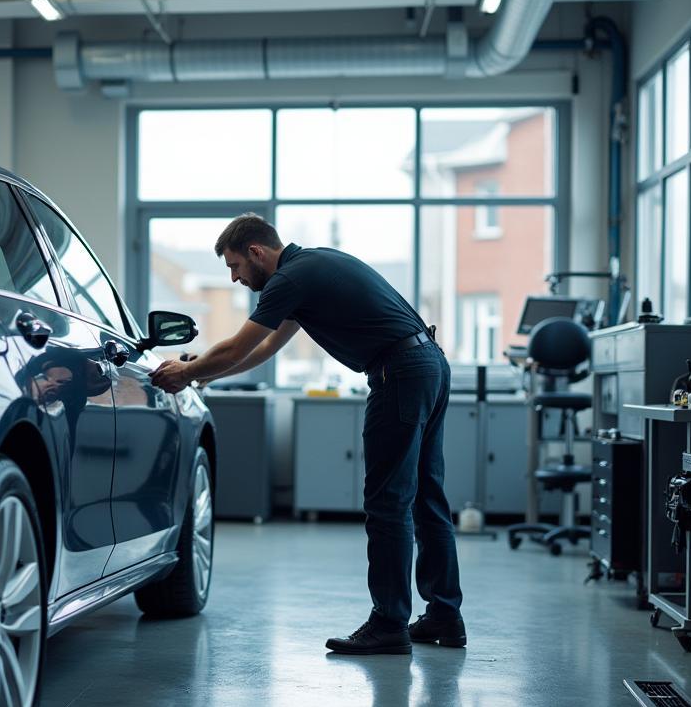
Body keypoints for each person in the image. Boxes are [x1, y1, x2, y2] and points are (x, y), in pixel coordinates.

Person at [151, 213, 464, 655]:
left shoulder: (290, 280)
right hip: (428, 362)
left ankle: (390, 623)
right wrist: (203, 378)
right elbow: (262, 350)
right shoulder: (312, 268)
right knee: (426, 495)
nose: (236, 278)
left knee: (388, 500)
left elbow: (238, 345)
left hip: (402, 372)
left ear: (257, 252)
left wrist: (187, 370)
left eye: (235, 266)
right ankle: (445, 616)